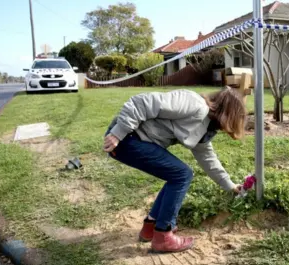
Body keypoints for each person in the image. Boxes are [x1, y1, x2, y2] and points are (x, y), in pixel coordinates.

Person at [103, 87, 247, 253]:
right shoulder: (194, 104)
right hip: (127, 138)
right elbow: (142, 102)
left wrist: (230, 186)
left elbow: (208, 159)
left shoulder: (205, 128)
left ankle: (151, 226)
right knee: (181, 174)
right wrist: (118, 133)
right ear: (229, 113)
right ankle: (163, 235)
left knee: (177, 174)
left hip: (136, 141)